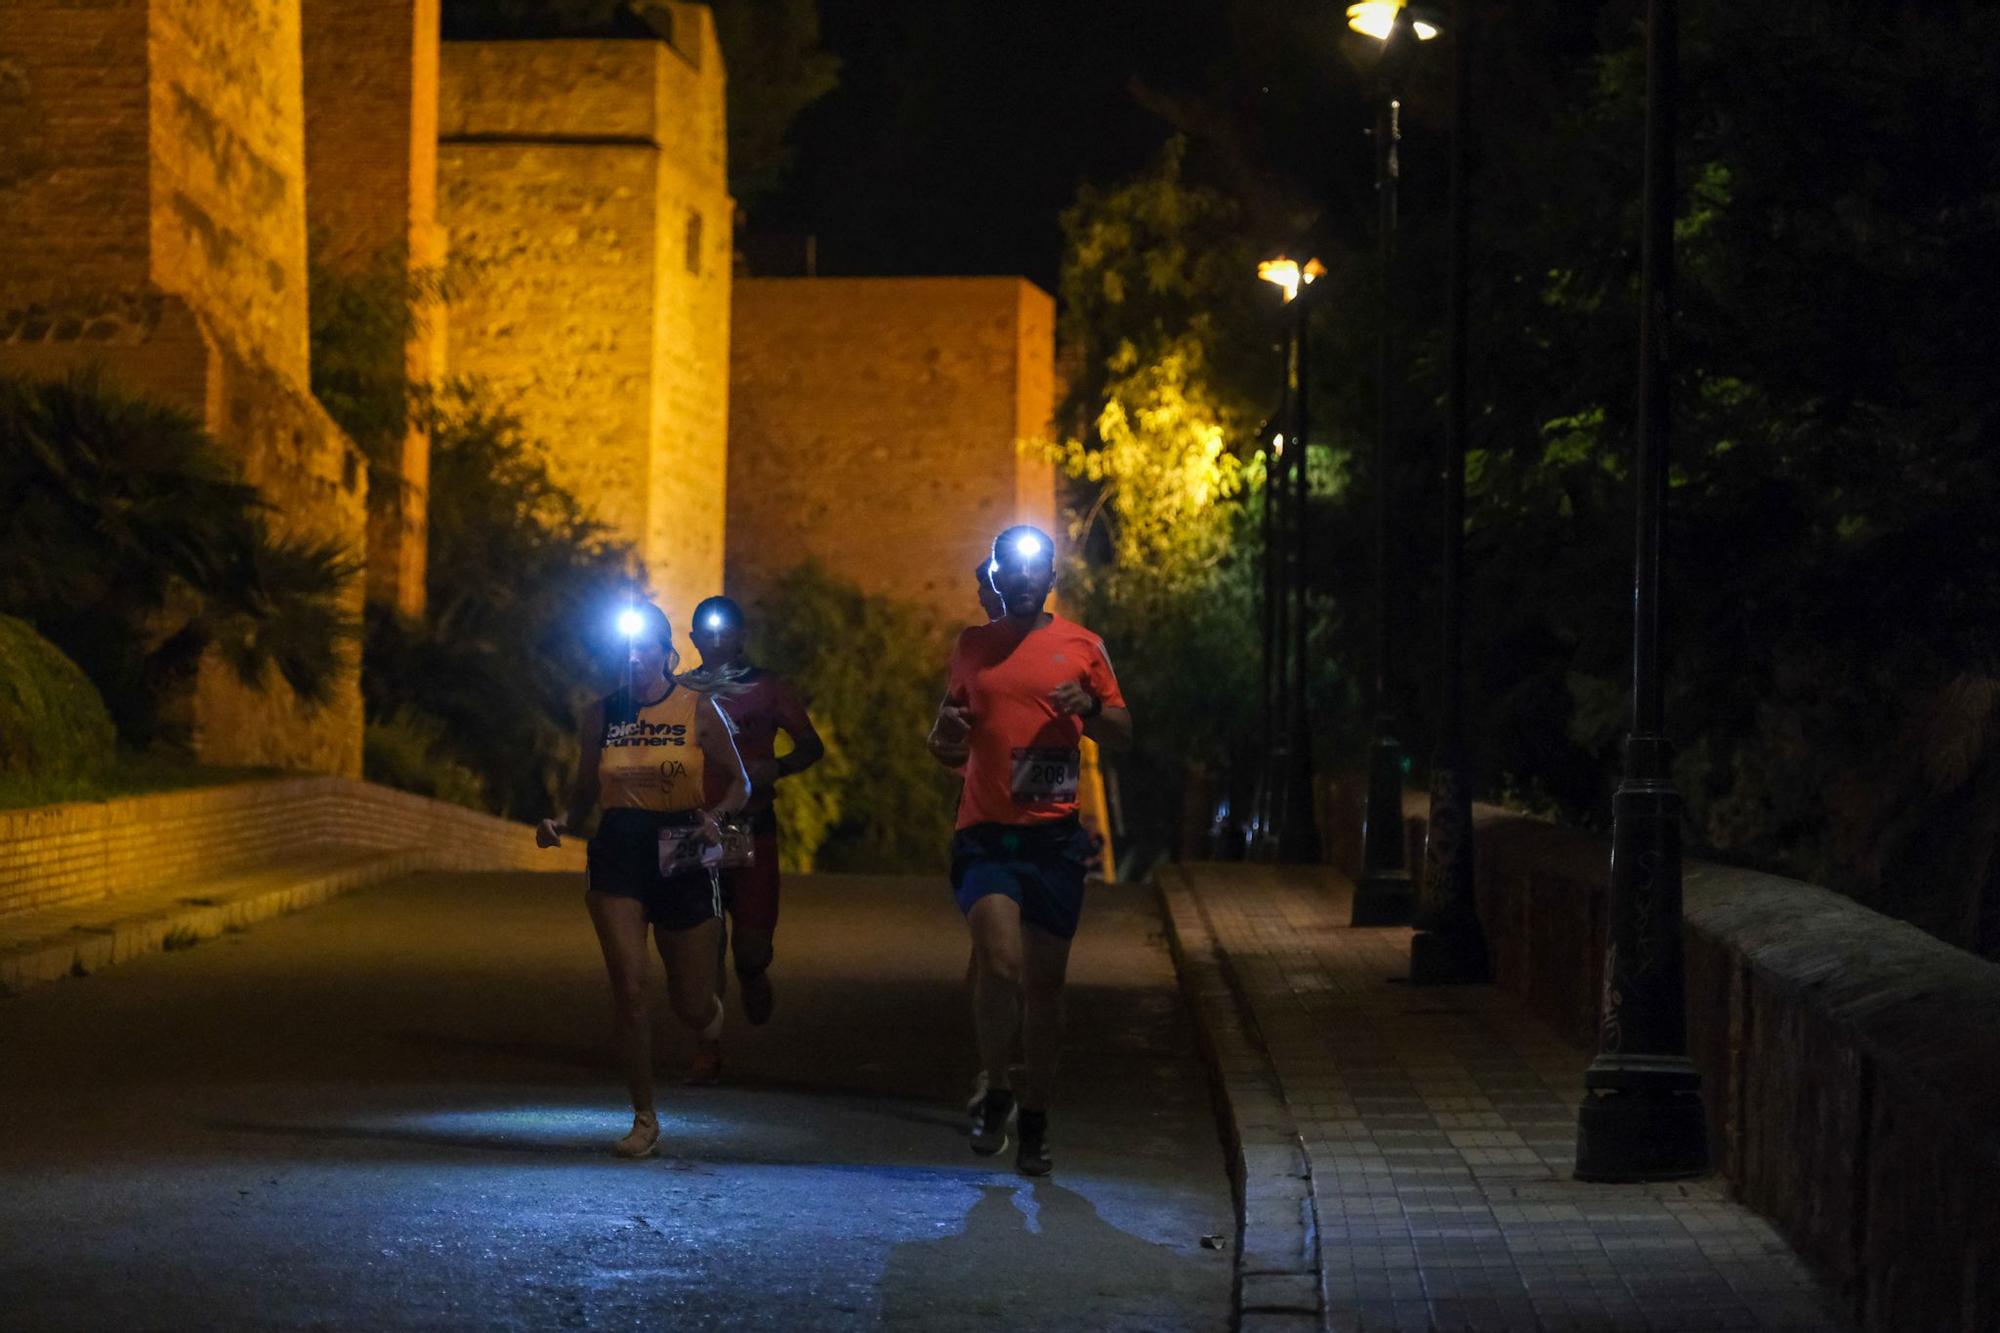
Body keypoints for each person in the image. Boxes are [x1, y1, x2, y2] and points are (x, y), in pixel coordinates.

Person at [927, 525, 1132, 1176]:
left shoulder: (1083, 646)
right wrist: (941, 735)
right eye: (1007, 572)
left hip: (1053, 838)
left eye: (1033, 570)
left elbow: (1123, 730)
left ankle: (1037, 1114)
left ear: (1050, 577)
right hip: (986, 831)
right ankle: (996, 1085)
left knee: (1046, 984)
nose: (1020, 581)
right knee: (1000, 962)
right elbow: (948, 740)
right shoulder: (972, 646)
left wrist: (1093, 709)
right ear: (995, 578)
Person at [537, 601, 750, 1158]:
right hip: (619, 850)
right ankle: (643, 1116)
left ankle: (708, 1019)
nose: (634, 659)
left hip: (682, 846)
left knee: (690, 1002)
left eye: (644, 648)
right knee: (629, 989)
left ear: (664, 651)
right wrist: (561, 821)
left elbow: (740, 783)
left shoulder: (697, 707)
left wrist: (717, 817)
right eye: (625, 651)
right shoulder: (601, 713)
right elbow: (585, 787)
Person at [683, 595, 825, 1030]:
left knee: (748, 949)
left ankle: (752, 973)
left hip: (752, 827)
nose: (716, 640)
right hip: (695, 830)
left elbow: (811, 745)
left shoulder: (767, 688)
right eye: (706, 633)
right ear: (692, 638)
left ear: (743, 636)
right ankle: (707, 1049)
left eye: (725, 632)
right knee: (703, 946)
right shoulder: (680, 690)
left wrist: (777, 767)